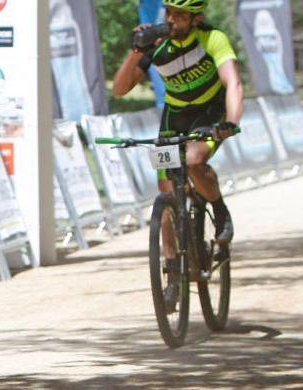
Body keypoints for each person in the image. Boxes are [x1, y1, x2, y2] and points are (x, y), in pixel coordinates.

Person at [112, 0, 243, 310]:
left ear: (196, 18)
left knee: (195, 160)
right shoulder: (157, 42)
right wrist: (136, 50)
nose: (172, 19)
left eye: (180, 14)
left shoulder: (213, 38)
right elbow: (120, 89)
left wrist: (230, 122)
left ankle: (219, 209)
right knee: (168, 193)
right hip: (175, 117)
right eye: (169, 12)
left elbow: (233, 82)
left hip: (209, 113)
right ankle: (173, 274)